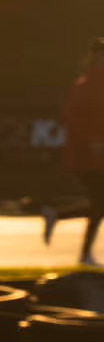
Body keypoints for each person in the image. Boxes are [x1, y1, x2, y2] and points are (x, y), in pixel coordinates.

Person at [54, 39, 104, 267]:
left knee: (99, 203)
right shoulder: (87, 85)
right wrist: (94, 141)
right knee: (99, 203)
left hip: (94, 153)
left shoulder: (91, 83)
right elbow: (74, 119)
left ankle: (57, 216)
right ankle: (84, 253)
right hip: (89, 155)